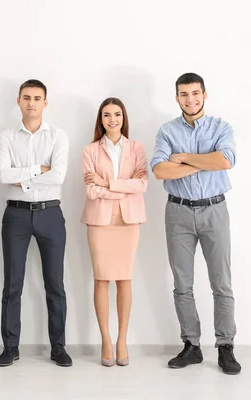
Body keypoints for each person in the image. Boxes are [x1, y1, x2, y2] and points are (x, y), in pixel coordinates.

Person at [150, 72, 241, 375]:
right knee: (182, 284)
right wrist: (203, 160)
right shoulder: (166, 131)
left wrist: (185, 158)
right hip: (178, 213)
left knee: (221, 283)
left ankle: (225, 347)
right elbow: (161, 171)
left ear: (204, 94)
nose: (190, 99)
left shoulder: (221, 127)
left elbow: (225, 161)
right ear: (177, 98)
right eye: (184, 94)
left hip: (215, 210)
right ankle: (191, 346)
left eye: (195, 93)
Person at [0, 79, 72, 367]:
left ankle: (59, 346)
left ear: (45, 103)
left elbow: (59, 176)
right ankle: (10, 346)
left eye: (37, 98)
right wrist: (39, 170)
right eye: (26, 97)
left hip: (51, 213)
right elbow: (3, 175)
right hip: (15, 214)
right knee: (12, 284)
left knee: (55, 284)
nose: (31, 103)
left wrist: (23, 178)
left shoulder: (58, 136)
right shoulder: (5, 136)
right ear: (18, 101)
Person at [81, 97, 147, 367]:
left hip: (128, 221)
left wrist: (107, 181)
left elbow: (141, 184)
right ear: (101, 119)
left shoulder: (136, 148)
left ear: (123, 118)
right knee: (101, 280)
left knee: (124, 280)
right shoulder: (90, 151)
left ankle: (122, 340)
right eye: (107, 115)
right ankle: (106, 341)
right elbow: (91, 190)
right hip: (100, 222)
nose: (112, 119)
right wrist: (121, 185)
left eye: (117, 114)